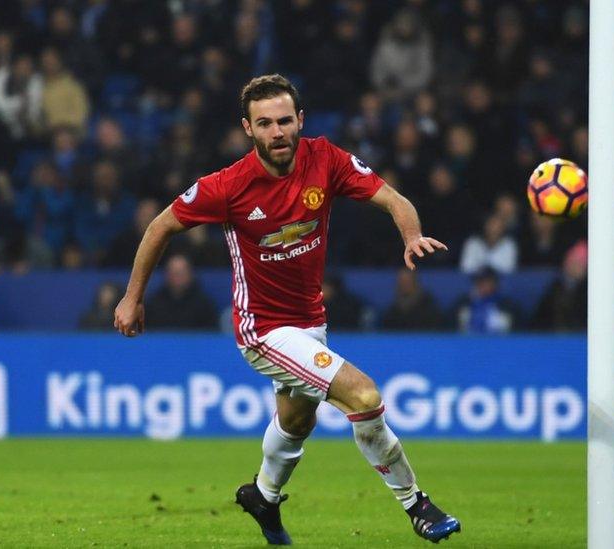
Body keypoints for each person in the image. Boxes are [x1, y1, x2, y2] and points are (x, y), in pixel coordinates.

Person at [114, 75, 460, 544]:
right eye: (264, 124)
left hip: (310, 323)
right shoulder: (228, 186)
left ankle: (263, 495)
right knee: (363, 396)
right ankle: (416, 504)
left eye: (283, 121)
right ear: (247, 129)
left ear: (300, 120)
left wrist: (411, 235)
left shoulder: (326, 159)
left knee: (298, 420)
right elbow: (160, 227)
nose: (276, 132)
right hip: (262, 330)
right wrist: (132, 297)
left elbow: (392, 199)